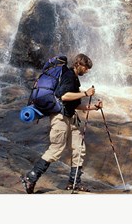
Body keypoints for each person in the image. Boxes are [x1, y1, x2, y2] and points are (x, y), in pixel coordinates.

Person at [21, 53, 103, 194]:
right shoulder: (68, 75)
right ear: (78, 64)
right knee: (56, 149)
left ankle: (74, 183)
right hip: (60, 117)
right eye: (86, 67)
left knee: (79, 149)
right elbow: (63, 96)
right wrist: (85, 93)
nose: (87, 71)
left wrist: (93, 107)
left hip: (71, 117)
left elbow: (74, 103)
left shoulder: (75, 80)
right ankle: (31, 177)